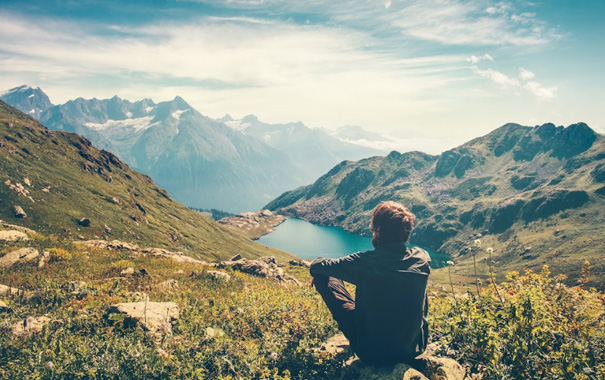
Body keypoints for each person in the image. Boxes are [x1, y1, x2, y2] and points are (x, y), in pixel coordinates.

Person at [310, 201, 430, 367]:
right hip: (414, 349)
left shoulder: (365, 262)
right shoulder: (422, 258)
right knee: (417, 282)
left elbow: (317, 266)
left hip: (372, 352)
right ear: (406, 232)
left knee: (324, 276)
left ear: (378, 230)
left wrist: (320, 273)